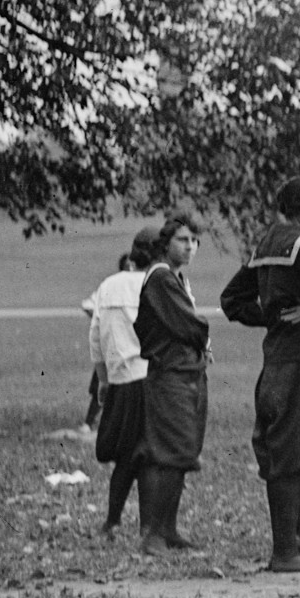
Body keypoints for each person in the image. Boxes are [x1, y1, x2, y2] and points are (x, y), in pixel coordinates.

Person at [220, 174, 300, 572]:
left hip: (276, 362)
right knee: (295, 452)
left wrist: (271, 319)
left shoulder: (266, 243)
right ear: (297, 209)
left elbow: (231, 300)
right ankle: (287, 551)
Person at [131, 215, 210, 553]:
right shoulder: (161, 278)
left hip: (187, 372)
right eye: (182, 240)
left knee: (182, 452)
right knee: (170, 452)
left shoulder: (177, 278)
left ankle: (169, 530)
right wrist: (203, 337)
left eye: (194, 240)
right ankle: (154, 535)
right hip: (170, 374)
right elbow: (190, 325)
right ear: (166, 243)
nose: (189, 246)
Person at [85, 227, 161, 535]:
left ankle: (112, 520)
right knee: (149, 455)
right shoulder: (161, 283)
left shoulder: (109, 285)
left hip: (120, 380)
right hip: (152, 379)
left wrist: (104, 380)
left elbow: (95, 337)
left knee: (124, 455)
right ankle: (148, 526)